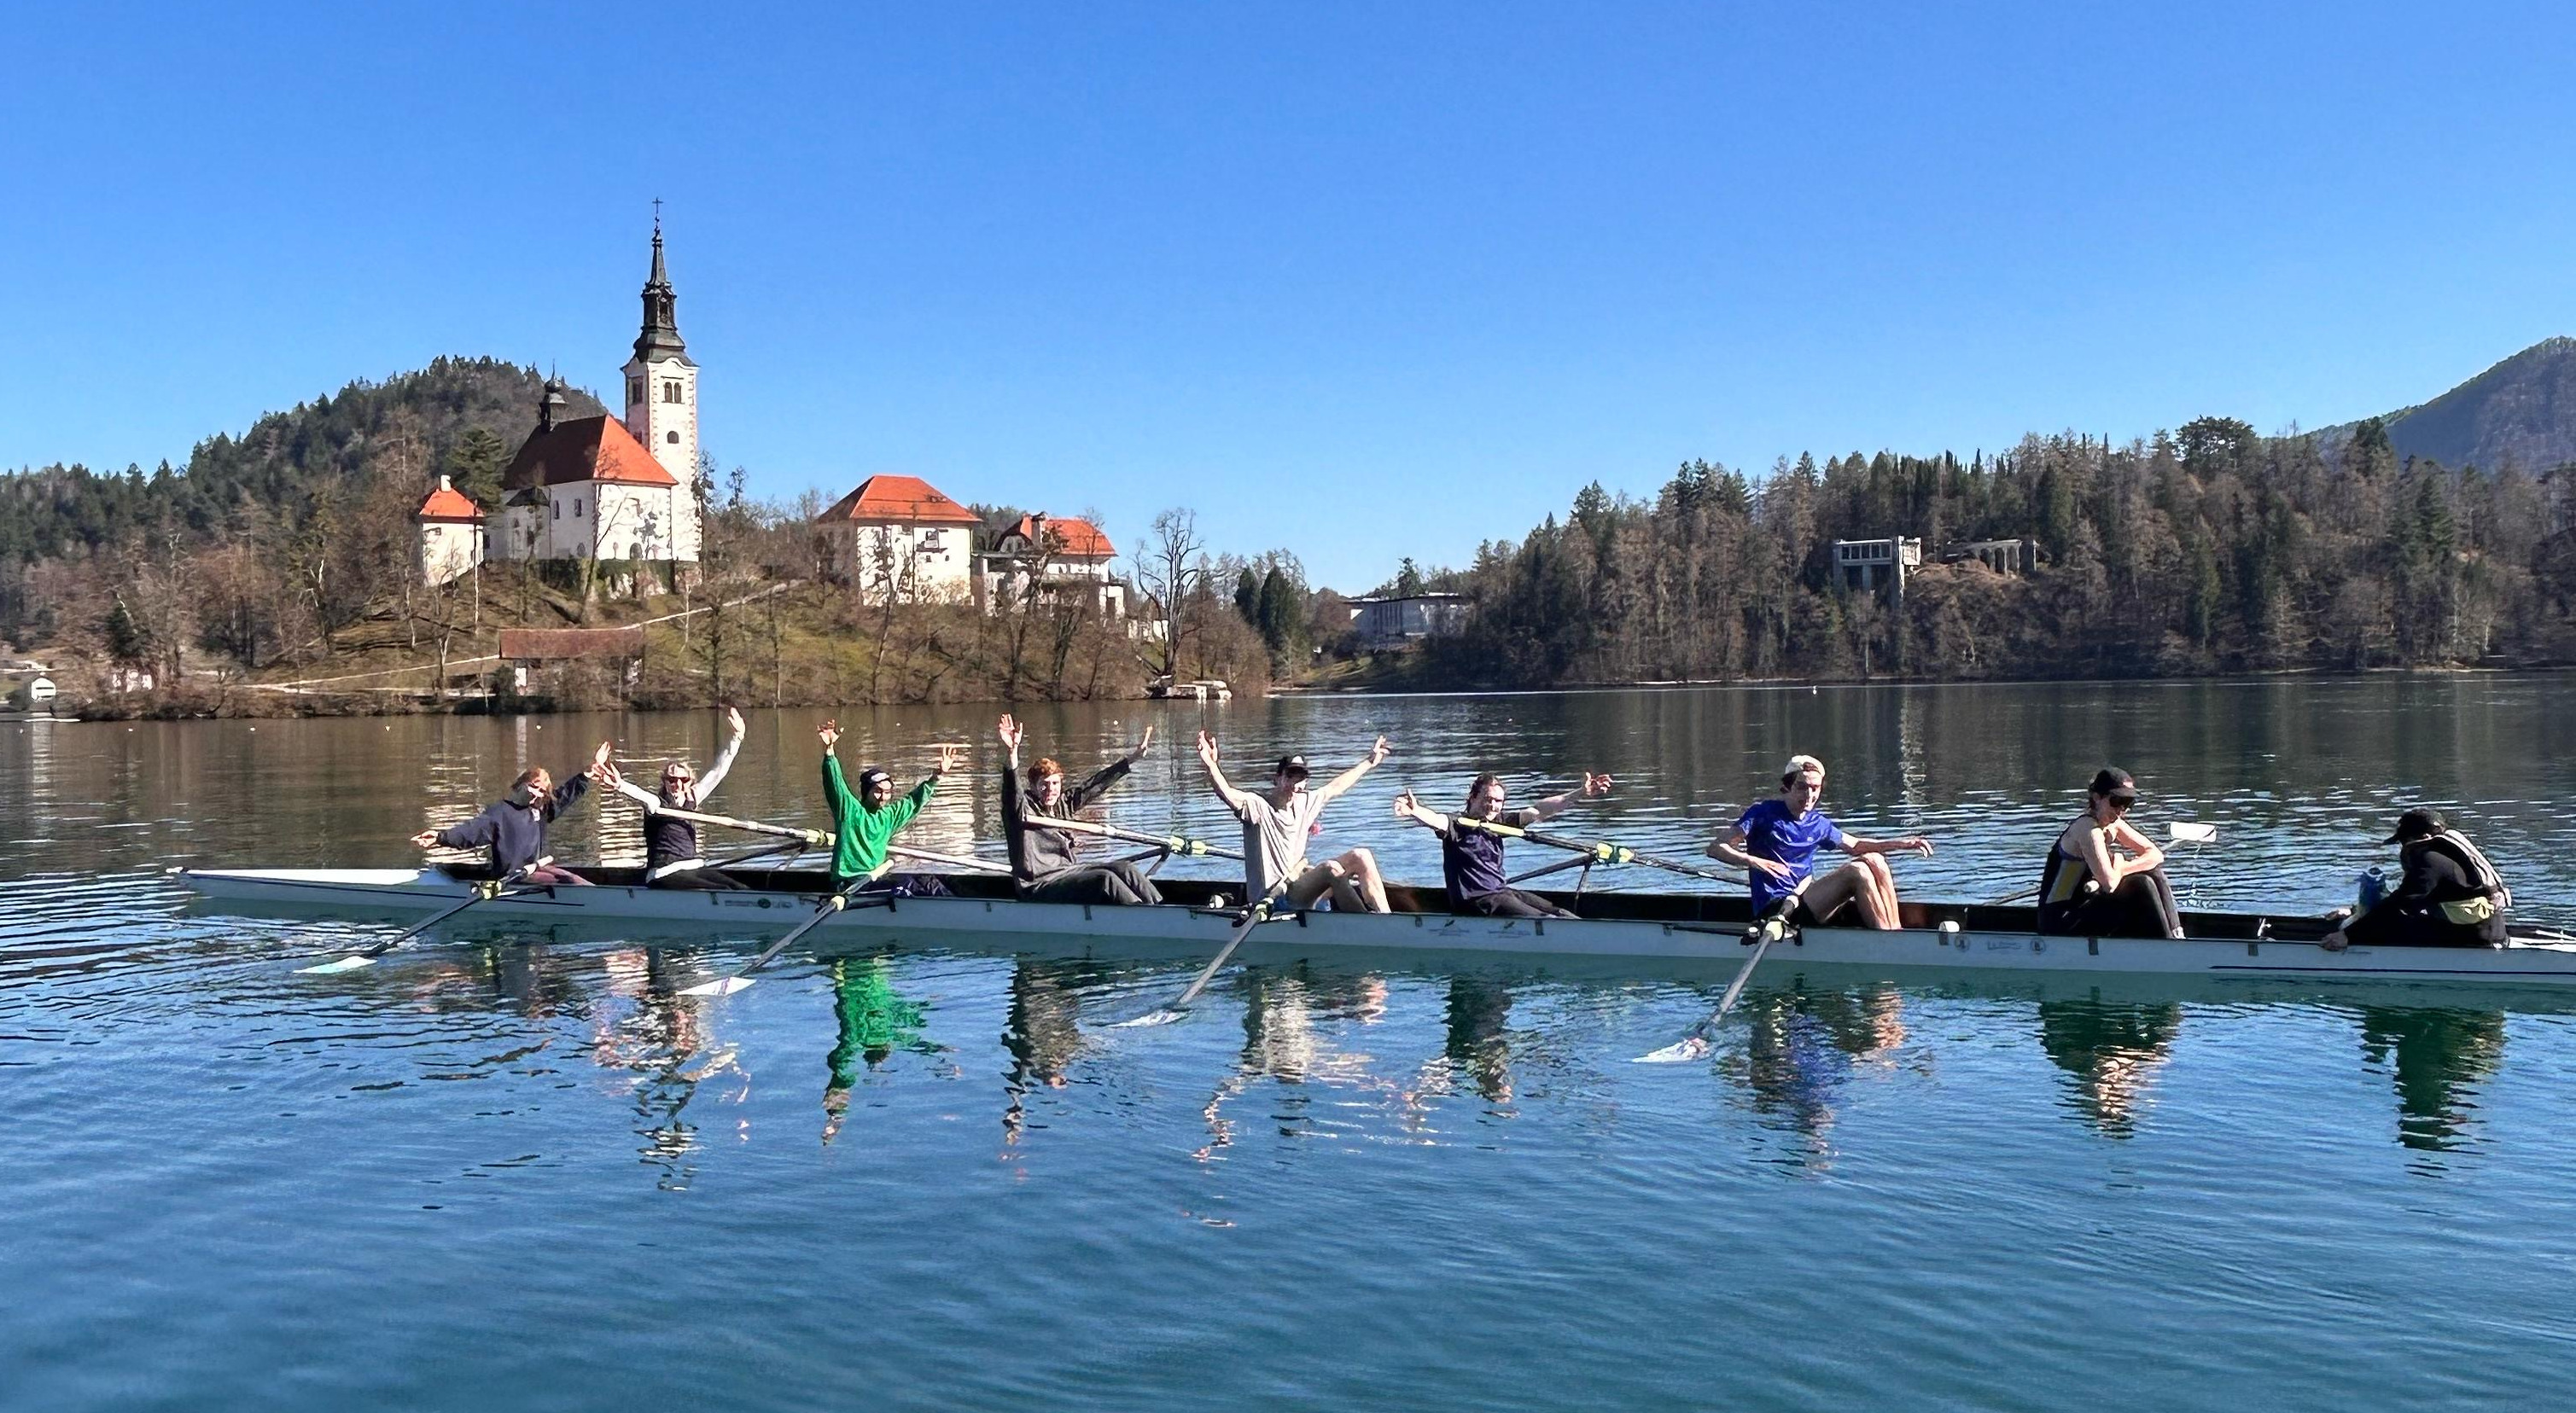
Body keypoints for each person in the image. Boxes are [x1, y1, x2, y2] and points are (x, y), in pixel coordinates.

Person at [1705, 754, 1932, 933]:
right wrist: (1754, 861)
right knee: (1857, 871)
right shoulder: (1762, 814)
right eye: (1802, 787)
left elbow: (1856, 846)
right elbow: (1716, 848)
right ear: (1787, 787)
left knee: (1875, 860)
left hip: (1804, 896)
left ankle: (1895, 931)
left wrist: (1902, 843)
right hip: (1776, 909)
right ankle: (1886, 942)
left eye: (1815, 788)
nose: (1809, 795)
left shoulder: (1818, 823)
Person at [1196, 729, 1393, 911]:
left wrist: (1369, 762)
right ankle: (1364, 924)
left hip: (1298, 884)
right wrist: (1211, 765)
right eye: (1290, 776)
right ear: (1277, 778)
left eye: (1301, 778)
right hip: (1274, 899)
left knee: (1362, 856)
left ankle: (1386, 918)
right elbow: (1227, 793)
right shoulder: (1258, 807)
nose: (1296, 784)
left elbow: (1336, 787)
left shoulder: (1304, 802)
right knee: (1330, 869)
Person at [1393, 770, 1615, 917]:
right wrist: (1416, 811)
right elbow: (1435, 819)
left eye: (1498, 801)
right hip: (1475, 903)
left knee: (1559, 912)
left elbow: (1539, 811)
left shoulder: (1499, 822)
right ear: (1473, 797)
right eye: (1487, 799)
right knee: (1547, 920)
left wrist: (1580, 793)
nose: (1493, 806)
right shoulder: (1456, 825)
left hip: (1500, 894)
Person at [998, 713, 1163, 906]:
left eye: (1055, 784)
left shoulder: (1063, 805)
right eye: (1044, 784)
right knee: (1105, 879)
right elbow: (1012, 792)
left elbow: (1094, 786)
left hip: (1068, 872)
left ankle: (1161, 908)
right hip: (1039, 884)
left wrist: (1131, 760)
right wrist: (1012, 753)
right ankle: (1143, 915)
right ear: (1033, 786)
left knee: (1125, 868)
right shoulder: (1021, 809)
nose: (1050, 790)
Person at [411, 740, 614, 887]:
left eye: (542, 791)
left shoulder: (540, 809)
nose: (536, 794)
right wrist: (439, 837)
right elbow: (470, 832)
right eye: (533, 787)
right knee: (573, 883)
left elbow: (564, 796)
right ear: (520, 784)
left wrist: (587, 774)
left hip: (536, 869)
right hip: (512, 878)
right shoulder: (499, 813)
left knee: (577, 880)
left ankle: (598, 896)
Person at [2323, 807, 2511, 951]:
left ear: (2424, 837)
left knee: (2387, 925)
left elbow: (2400, 906)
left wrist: (2348, 935)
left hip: (2473, 937)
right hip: (2488, 930)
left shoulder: (2430, 860)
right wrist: (2357, 912)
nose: (2403, 847)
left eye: (2404, 841)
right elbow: (2404, 898)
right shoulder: (2448, 856)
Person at [608, 706, 749, 889]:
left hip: (693, 867)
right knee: (721, 890)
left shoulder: (693, 797)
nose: (678, 785)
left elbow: (718, 771)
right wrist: (620, 784)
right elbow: (641, 795)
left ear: (690, 782)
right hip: (664, 872)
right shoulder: (657, 803)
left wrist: (737, 738)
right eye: (672, 780)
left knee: (740, 888)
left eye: (683, 780)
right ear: (665, 782)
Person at [2035, 767, 2185, 939]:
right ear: (2097, 798)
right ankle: (2167, 946)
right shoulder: (2088, 830)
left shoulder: (2113, 822)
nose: (2120, 810)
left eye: (2127, 803)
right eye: (2116, 801)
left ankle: (2176, 935)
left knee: (2154, 872)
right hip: (2059, 922)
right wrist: (2119, 861)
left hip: (2086, 906)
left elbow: (2155, 855)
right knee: (2142, 884)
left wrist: (2122, 868)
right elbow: (2110, 884)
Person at [818, 719, 961, 891]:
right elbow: (835, 784)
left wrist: (937, 777)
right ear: (866, 791)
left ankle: (955, 903)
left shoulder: (888, 816)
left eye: (887, 792)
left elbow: (914, 801)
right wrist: (829, 751)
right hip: (849, 882)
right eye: (878, 791)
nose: (883, 797)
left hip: (873, 878)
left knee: (926, 880)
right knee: (906, 885)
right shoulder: (849, 811)